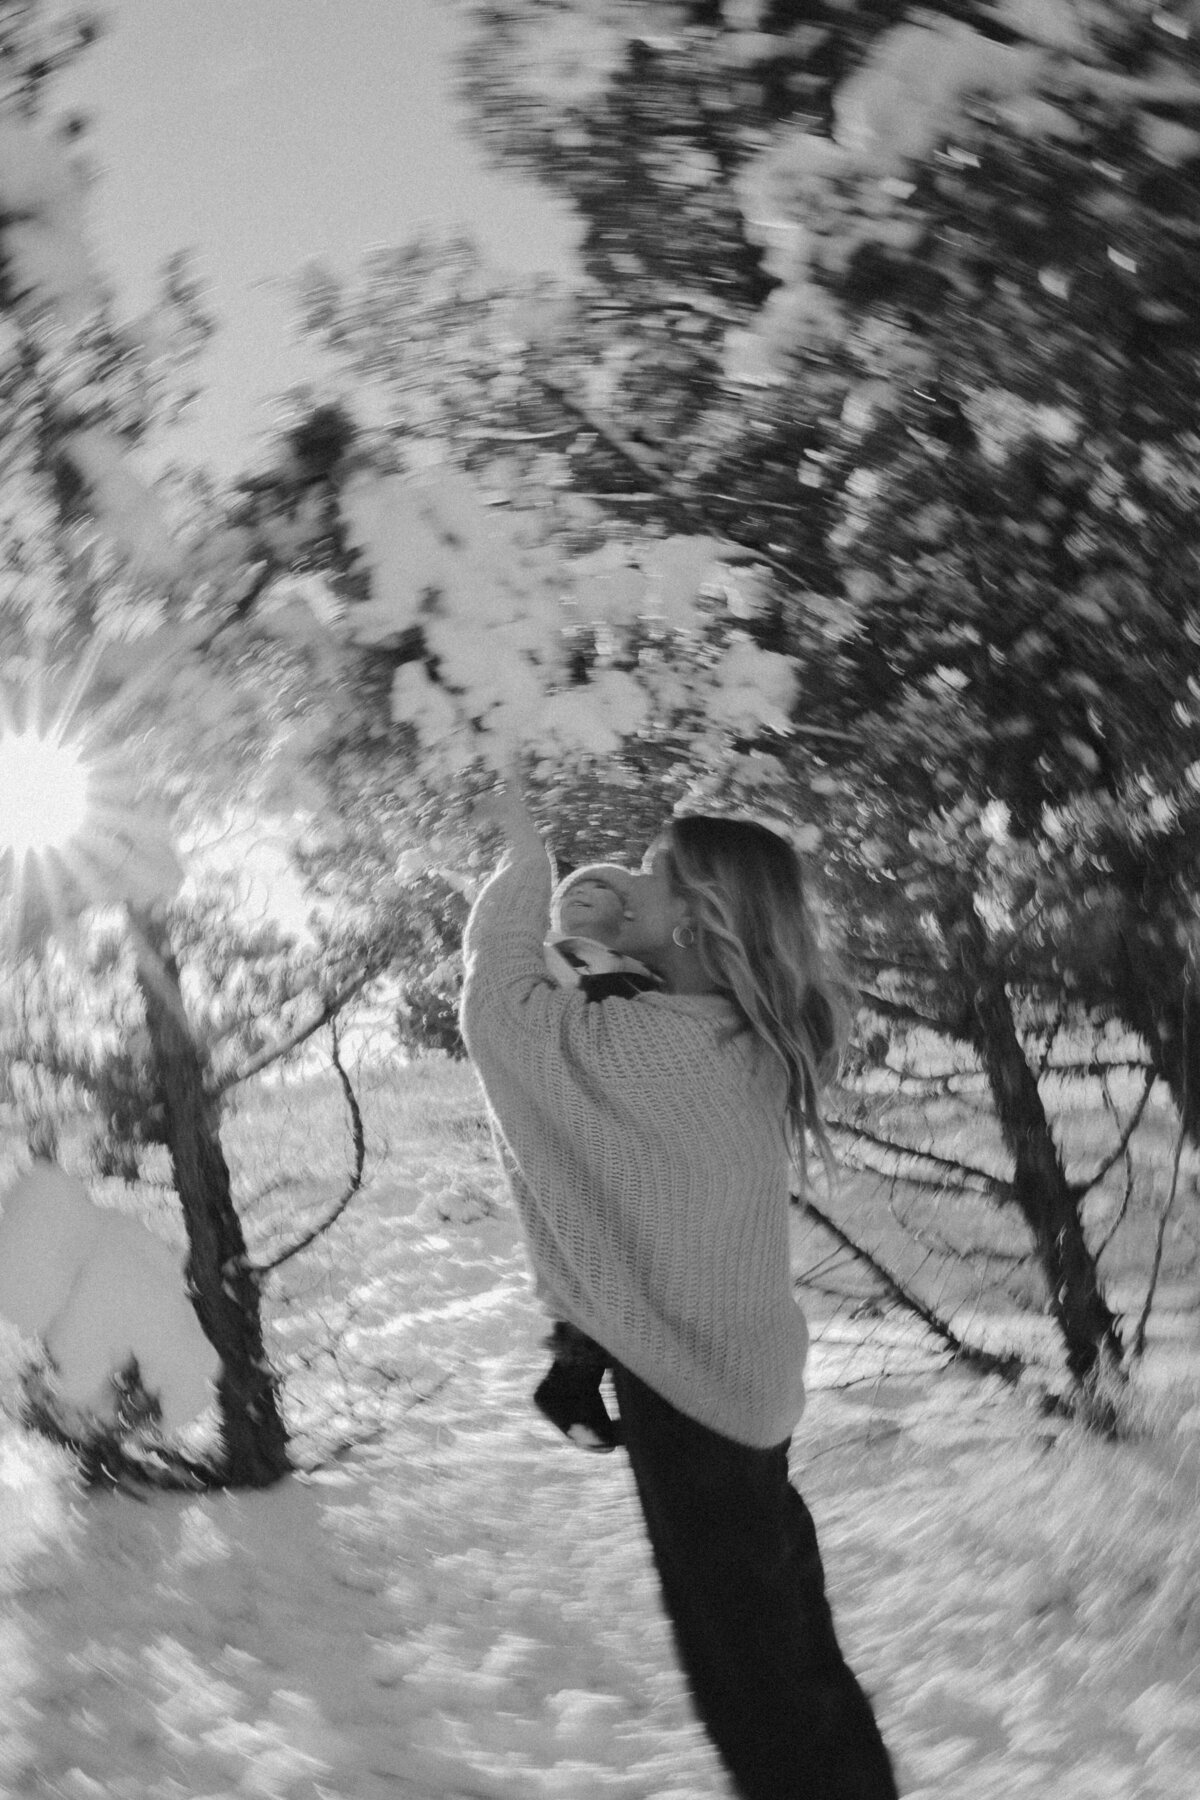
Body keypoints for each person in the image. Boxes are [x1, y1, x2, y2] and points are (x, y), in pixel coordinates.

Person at [460, 777, 898, 1800]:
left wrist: (529, 867)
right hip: (742, 1394)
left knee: (755, 1695)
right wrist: (581, 1344)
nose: (635, 879)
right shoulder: (727, 1041)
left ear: (701, 918)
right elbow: (628, 1191)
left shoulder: (656, 1048)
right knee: (793, 1661)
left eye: (657, 874)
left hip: (695, 1410)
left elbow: (502, 1014)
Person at [536, 862, 661, 1452]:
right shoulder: (545, 960)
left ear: (631, 914)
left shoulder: (648, 971)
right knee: (588, 1251)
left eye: (601, 888)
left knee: (628, 1252)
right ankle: (575, 1377)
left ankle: (577, 1380)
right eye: (571, 891)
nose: (582, 894)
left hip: (633, 1127)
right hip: (571, 1123)